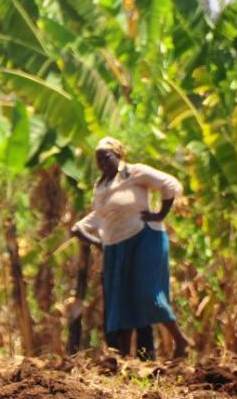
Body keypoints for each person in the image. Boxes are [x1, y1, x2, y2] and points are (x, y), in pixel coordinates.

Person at [71, 137, 192, 360]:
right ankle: (125, 358)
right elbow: (101, 215)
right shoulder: (101, 186)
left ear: (118, 155)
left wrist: (160, 213)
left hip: (145, 238)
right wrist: (81, 229)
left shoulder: (134, 172)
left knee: (148, 294)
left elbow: (169, 184)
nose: (102, 163)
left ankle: (181, 340)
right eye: (98, 159)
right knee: (123, 299)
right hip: (117, 246)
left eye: (106, 157)